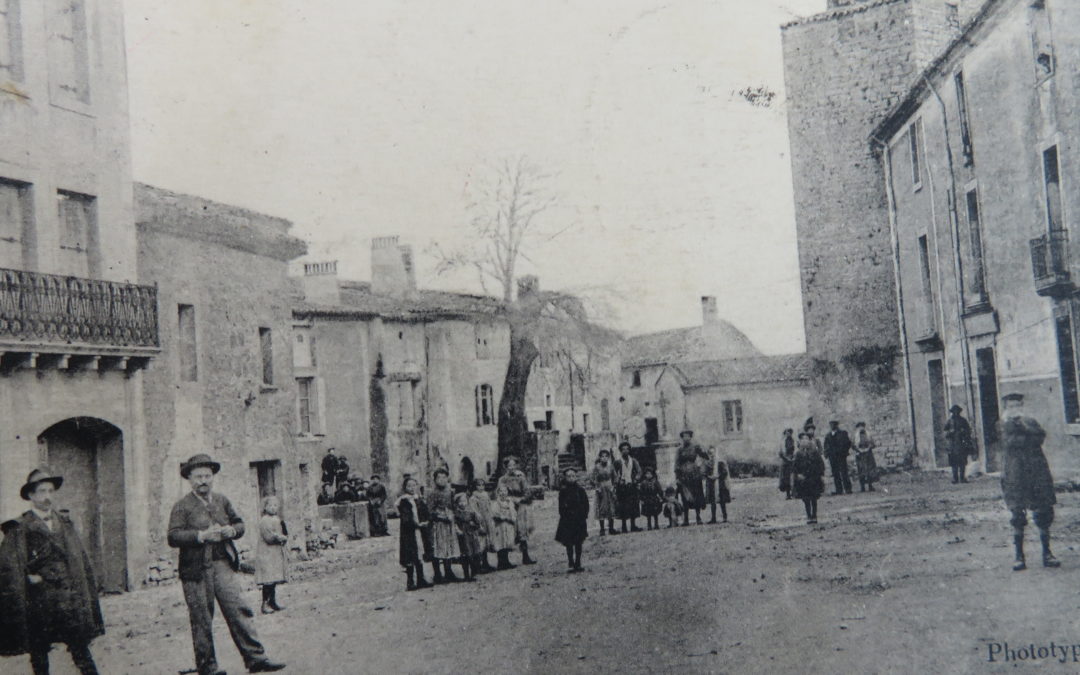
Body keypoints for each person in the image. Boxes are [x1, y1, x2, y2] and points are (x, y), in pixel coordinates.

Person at [167, 454, 285, 674]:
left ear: (213, 477)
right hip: (195, 571)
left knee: (239, 609)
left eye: (207, 476)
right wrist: (200, 536)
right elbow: (173, 537)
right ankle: (208, 667)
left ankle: (256, 659)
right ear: (190, 479)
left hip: (223, 564)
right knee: (201, 618)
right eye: (198, 476)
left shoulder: (222, 500)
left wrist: (233, 531)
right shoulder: (182, 506)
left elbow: (240, 523)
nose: (204, 480)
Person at [0, 468, 104, 675]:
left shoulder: (64, 523)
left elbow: (77, 559)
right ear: (31, 495)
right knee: (39, 656)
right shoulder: (20, 527)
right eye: (41, 491)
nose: (47, 497)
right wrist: (28, 578)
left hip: (68, 600)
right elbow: (9, 566)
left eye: (50, 491)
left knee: (81, 650)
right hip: (39, 603)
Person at [999, 393, 1060, 571]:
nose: (1015, 409)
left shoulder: (1030, 422)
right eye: (1011, 406)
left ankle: (1047, 553)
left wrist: (1026, 428)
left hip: (1037, 472)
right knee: (1017, 515)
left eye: (1018, 405)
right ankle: (1019, 556)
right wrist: (1028, 434)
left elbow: (1040, 437)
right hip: (1015, 475)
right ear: (1006, 409)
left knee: (1044, 513)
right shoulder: (1002, 425)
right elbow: (1011, 441)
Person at [496, 456, 537, 565]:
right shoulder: (502, 479)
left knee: (522, 530)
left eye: (514, 465)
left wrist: (521, 499)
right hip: (507, 507)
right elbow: (499, 493)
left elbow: (527, 491)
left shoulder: (520, 477)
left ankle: (525, 556)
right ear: (505, 467)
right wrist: (507, 500)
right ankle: (504, 560)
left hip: (520, 506)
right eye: (509, 465)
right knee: (507, 530)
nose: (512, 468)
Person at [396, 477, 433, 591]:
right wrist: (416, 524)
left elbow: (425, 512)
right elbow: (405, 518)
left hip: (419, 531)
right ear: (405, 488)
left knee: (419, 554)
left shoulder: (418, 500)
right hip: (409, 532)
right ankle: (410, 581)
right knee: (410, 555)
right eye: (409, 486)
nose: (412, 488)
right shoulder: (404, 501)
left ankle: (421, 579)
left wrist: (426, 521)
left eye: (414, 485)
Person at [255, 497, 288, 615]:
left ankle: (273, 602)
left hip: (274, 554)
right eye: (270, 505)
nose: (273, 508)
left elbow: (284, 532)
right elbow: (268, 537)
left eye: (275, 505)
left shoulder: (277, 519)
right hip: (266, 554)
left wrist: (284, 537)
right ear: (265, 507)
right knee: (267, 580)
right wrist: (279, 538)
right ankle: (265, 604)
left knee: (273, 579)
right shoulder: (264, 521)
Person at [554, 467, 590, 573]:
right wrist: (565, 515)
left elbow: (586, 504)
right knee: (569, 543)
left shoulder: (580, 490)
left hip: (579, 520)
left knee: (579, 542)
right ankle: (570, 562)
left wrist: (584, 515)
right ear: (565, 478)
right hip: (568, 521)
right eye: (568, 476)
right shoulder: (563, 491)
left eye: (573, 476)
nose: (571, 478)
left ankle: (578, 562)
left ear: (576, 477)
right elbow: (561, 507)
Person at [428, 468, 461, 583]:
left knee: (449, 546)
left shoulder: (450, 491)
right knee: (438, 547)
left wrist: (453, 516)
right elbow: (430, 511)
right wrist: (440, 516)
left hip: (449, 521)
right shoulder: (432, 493)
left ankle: (449, 571)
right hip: (438, 524)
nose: (442, 480)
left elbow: (453, 506)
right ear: (435, 479)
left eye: (444, 477)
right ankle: (437, 574)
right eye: (439, 478)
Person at [674, 430, 709, 525]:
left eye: (688, 436)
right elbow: (676, 464)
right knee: (685, 497)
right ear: (682, 438)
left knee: (697, 496)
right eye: (684, 436)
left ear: (690, 437)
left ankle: (698, 517)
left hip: (695, 475)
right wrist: (677, 477)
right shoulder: (679, 450)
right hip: (684, 477)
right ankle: (686, 519)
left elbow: (705, 456)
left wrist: (702, 450)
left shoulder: (695, 447)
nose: (686, 438)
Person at [793, 432, 826, 524]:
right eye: (803, 439)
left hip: (814, 478)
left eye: (806, 439)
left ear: (810, 441)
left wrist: (821, 475)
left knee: (814, 497)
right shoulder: (798, 453)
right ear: (800, 441)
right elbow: (795, 467)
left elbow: (820, 464)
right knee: (806, 498)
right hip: (804, 479)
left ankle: (814, 515)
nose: (805, 441)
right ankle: (808, 516)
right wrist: (798, 475)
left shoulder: (814, 452)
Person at [468, 479, 497, 573]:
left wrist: (491, 518)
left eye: (482, 485)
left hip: (487, 519)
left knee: (486, 541)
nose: (481, 487)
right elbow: (474, 511)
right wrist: (479, 522)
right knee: (480, 542)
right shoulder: (473, 498)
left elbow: (489, 507)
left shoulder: (485, 495)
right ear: (475, 486)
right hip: (480, 521)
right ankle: (478, 565)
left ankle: (485, 563)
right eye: (478, 485)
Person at [453, 493, 484, 582]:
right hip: (463, 536)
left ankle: (474, 572)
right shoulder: (456, 513)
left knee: (475, 553)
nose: (462, 503)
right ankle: (466, 574)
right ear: (457, 503)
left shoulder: (471, 512)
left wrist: (475, 524)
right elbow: (454, 524)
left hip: (472, 535)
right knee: (466, 555)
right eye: (460, 502)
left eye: (464, 501)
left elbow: (478, 523)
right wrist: (458, 530)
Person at [615, 442, 642, 533]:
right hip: (622, 487)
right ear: (620, 451)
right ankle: (624, 527)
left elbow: (639, 471)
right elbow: (614, 474)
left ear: (629, 450)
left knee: (633, 505)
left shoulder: (633, 461)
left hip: (632, 486)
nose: (625, 451)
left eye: (627, 449)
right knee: (623, 506)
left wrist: (636, 479)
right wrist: (618, 481)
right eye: (623, 449)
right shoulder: (618, 462)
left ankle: (633, 525)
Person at [944, 405, 975, 484]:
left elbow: (968, 430)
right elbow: (945, 432)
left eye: (957, 411)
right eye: (954, 411)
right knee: (954, 462)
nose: (956, 413)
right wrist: (950, 432)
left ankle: (962, 478)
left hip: (961, 443)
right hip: (952, 444)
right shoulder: (949, 421)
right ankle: (955, 478)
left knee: (962, 462)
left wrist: (963, 432)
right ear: (952, 412)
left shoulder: (963, 420)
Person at [490, 486, 518, 570]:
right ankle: (500, 562)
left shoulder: (510, 502)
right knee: (500, 543)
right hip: (500, 525)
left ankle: (506, 561)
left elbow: (513, 512)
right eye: (501, 491)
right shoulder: (495, 503)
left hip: (508, 524)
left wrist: (512, 517)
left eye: (505, 491)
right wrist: (502, 517)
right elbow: (494, 514)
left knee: (507, 542)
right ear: (498, 493)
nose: (503, 493)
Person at [591, 450, 618, 535]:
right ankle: (602, 529)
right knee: (601, 508)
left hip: (609, 488)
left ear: (608, 457)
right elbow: (592, 478)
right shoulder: (597, 467)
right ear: (599, 457)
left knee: (611, 507)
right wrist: (597, 486)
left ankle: (611, 528)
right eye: (602, 456)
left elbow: (615, 477)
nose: (604, 458)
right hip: (601, 489)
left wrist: (614, 486)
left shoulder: (611, 466)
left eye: (606, 456)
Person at [823, 420, 853, 495]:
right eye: (830, 424)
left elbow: (848, 443)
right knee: (835, 473)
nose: (831, 426)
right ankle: (839, 490)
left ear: (836, 425)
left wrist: (844, 451)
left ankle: (848, 489)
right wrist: (827, 453)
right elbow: (826, 445)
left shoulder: (843, 433)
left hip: (841, 456)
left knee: (844, 472)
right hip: (832, 457)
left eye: (833, 424)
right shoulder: (828, 435)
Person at [853, 422, 878, 492]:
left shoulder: (868, 435)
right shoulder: (855, 436)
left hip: (868, 454)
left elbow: (873, 444)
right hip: (860, 455)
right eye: (859, 427)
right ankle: (862, 487)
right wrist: (858, 450)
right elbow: (853, 446)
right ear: (858, 428)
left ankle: (870, 485)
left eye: (862, 426)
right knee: (861, 471)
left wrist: (869, 448)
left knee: (869, 470)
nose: (861, 428)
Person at [713, 456, 731, 523]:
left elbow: (724, 472)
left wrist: (717, 476)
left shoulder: (720, 462)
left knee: (722, 501)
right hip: (717, 484)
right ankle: (715, 517)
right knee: (718, 501)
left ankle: (725, 516)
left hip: (721, 485)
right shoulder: (712, 462)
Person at [779, 429, 796, 500]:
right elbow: (780, 453)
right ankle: (788, 494)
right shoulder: (782, 442)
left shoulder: (793, 441)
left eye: (789, 432)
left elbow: (794, 450)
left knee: (793, 477)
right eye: (787, 432)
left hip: (792, 460)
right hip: (785, 461)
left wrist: (793, 458)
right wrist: (786, 458)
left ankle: (794, 493)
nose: (788, 434)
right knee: (786, 478)